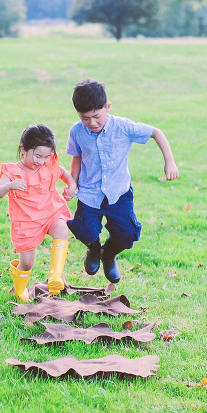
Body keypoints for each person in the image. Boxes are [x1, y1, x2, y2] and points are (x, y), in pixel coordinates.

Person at [66, 79, 179, 284]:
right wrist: (73, 182)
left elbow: (156, 133)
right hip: (89, 192)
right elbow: (77, 157)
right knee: (84, 229)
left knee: (127, 234)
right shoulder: (76, 131)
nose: (92, 123)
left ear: (107, 108)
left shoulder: (123, 127)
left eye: (97, 116)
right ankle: (93, 249)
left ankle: (108, 255)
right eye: (85, 118)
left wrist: (169, 162)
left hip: (119, 192)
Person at [0, 124, 77, 302]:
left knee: (62, 229)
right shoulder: (13, 171)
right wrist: (10, 186)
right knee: (27, 263)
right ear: (23, 150)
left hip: (50, 212)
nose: (42, 161)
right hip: (27, 221)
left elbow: (64, 173)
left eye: (47, 156)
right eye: (38, 156)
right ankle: (19, 290)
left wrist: (72, 185)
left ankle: (55, 276)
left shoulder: (48, 165)